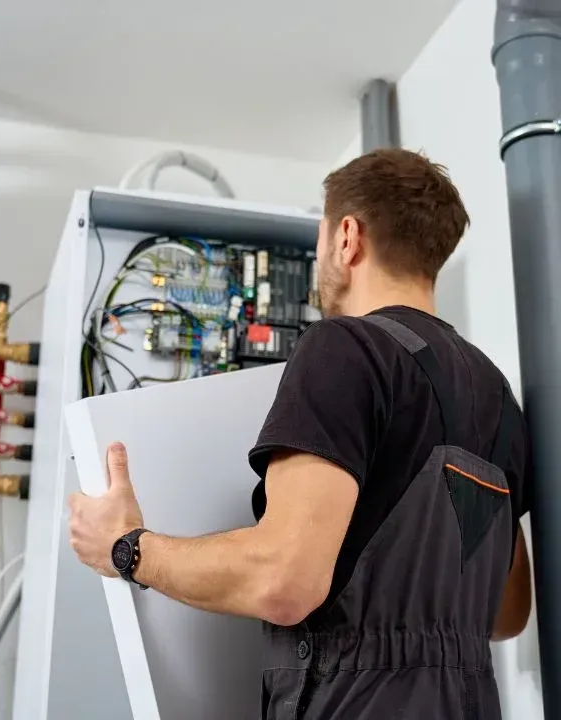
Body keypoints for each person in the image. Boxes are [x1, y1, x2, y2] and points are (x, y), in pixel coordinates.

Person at [68, 148, 532, 719]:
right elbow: (507, 612)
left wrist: (127, 548)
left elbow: (283, 580)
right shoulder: (498, 397)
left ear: (346, 238)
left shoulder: (347, 348)